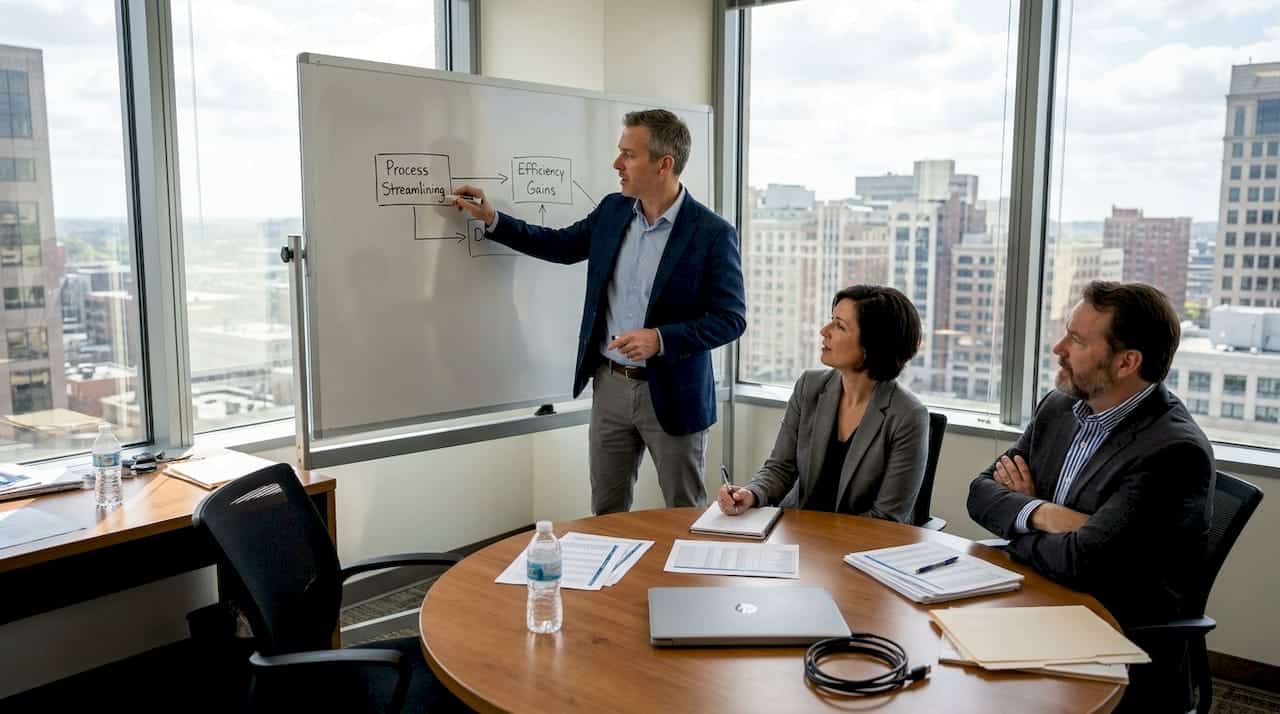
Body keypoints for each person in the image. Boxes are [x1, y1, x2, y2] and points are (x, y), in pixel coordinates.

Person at [453, 109, 745, 515]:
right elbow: (561, 245)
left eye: (628, 155)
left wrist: (660, 339)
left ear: (664, 164)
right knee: (605, 514)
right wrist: (493, 219)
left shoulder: (712, 232)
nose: (617, 165)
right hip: (609, 387)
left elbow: (731, 317)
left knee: (684, 513)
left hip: (675, 395)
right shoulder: (613, 211)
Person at [966, 281, 1213, 712]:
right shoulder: (1060, 408)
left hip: (1114, 636)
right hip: (1038, 603)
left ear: (1126, 363)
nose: (1058, 348)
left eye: (1077, 340)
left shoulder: (1173, 452)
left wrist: (1023, 516)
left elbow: (1084, 563)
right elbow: (980, 494)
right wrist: (1047, 514)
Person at [717, 285, 928, 522]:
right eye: (831, 320)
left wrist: (818, 539)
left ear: (872, 344)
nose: (823, 331)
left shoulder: (908, 415)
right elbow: (780, 468)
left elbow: (887, 517)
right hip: (796, 533)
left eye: (839, 326)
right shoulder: (809, 387)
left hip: (858, 546)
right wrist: (752, 494)